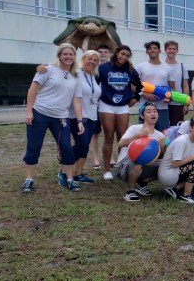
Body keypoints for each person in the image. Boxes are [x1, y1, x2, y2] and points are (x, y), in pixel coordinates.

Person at [22, 43, 85, 193]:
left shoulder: (76, 76)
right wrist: (29, 112)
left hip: (61, 117)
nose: (68, 57)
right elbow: (33, 89)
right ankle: (28, 180)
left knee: (66, 147)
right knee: (34, 146)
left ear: (74, 57)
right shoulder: (48, 69)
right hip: (40, 113)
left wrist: (79, 120)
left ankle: (69, 180)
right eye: (65, 54)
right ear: (59, 56)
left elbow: (76, 100)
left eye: (71, 54)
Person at [97, 45, 142, 180]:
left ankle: (121, 167)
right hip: (106, 105)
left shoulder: (131, 70)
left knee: (123, 138)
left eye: (127, 56)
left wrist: (135, 98)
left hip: (123, 106)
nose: (124, 57)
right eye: (122, 54)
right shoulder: (103, 68)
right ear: (116, 53)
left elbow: (140, 87)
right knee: (109, 136)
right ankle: (106, 169)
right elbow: (94, 83)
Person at [61, 50, 102, 184]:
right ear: (83, 59)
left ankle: (78, 173)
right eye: (90, 59)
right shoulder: (75, 73)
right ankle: (64, 170)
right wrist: (42, 67)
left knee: (85, 145)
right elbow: (59, 70)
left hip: (92, 116)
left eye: (95, 60)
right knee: (82, 143)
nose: (92, 62)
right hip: (77, 116)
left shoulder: (93, 76)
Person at [116, 103, 166, 201]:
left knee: (166, 165)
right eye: (149, 112)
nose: (153, 114)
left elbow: (158, 156)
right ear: (142, 116)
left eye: (155, 111)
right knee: (138, 161)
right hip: (126, 164)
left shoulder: (160, 135)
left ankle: (141, 181)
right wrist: (138, 136)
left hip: (147, 164)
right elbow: (120, 144)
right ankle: (130, 191)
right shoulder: (135, 128)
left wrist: (162, 147)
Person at [159, 117, 194, 203]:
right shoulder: (182, 141)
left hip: (178, 171)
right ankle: (186, 195)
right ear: (191, 128)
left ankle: (175, 188)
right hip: (168, 174)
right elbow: (175, 164)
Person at [135, 41, 175, 131]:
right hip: (145, 107)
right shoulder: (140, 67)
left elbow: (172, 87)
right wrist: (145, 94)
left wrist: (168, 97)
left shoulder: (168, 68)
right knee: (145, 134)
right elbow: (133, 86)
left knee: (163, 134)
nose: (152, 50)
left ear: (159, 51)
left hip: (162, 107)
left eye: (155, 48)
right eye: (149, 49)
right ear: (147, 52)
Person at [163, 40, 190, 125]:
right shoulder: (160, 65)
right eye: (169, 48)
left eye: (174, 49)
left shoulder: (182, 67)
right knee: (162, 128)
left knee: (176, 128)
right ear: (165, 50)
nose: (172, 51)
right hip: (162, 102)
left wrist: (186, 104)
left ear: (177, 51)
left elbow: (185, 86)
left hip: (177, 102)